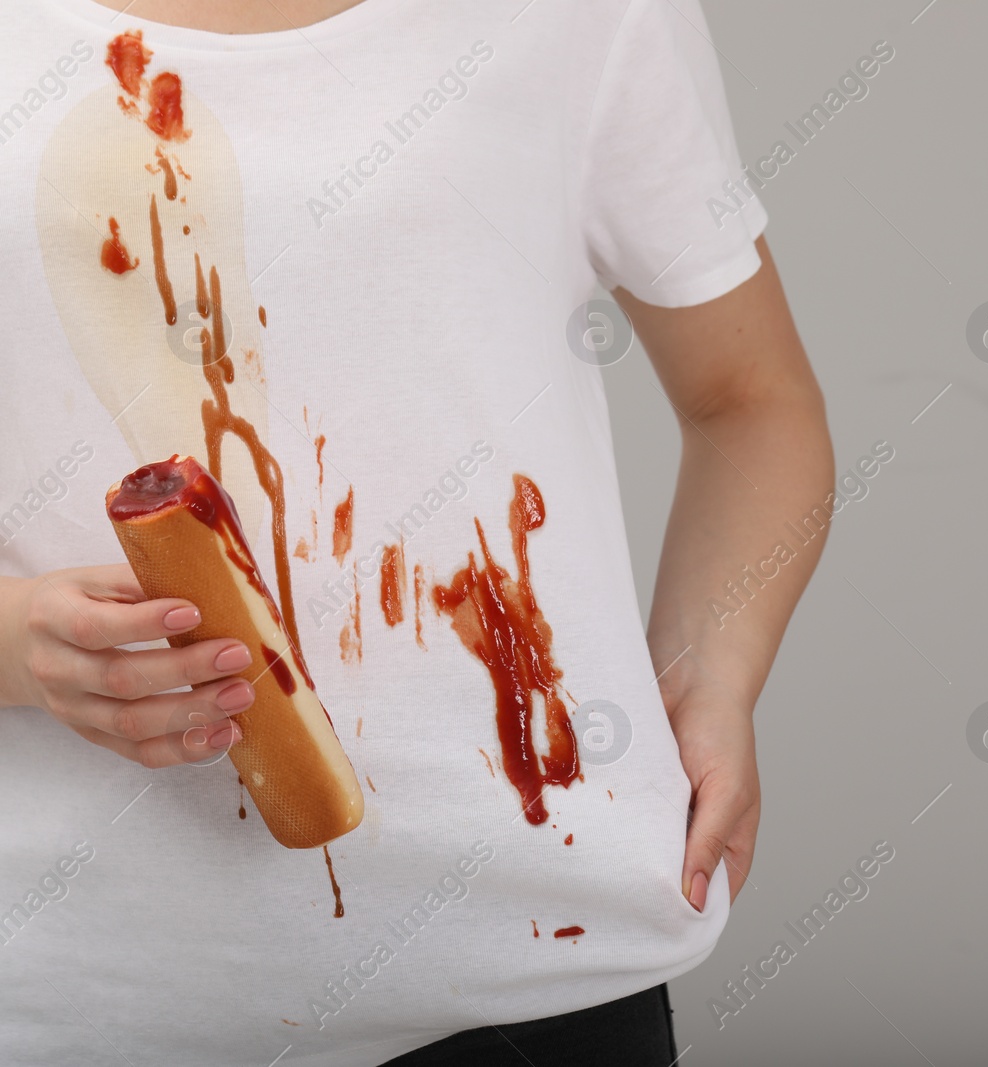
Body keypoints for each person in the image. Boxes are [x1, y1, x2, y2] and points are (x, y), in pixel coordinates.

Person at [0, 0, 833, 1063]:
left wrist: (709, 675)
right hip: (74, 989)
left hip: (528, 964)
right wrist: (17, 640)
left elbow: (752, 398)